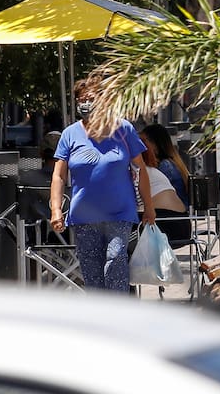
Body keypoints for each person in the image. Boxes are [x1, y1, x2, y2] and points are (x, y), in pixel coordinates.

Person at [49, 76, 156, 292]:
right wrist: (56, 209)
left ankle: (117, 316)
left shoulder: (123, 129)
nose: (85, 103)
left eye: (91, 98)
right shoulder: (70, 134)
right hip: (84, 216)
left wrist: (149, 206)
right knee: (92, 274)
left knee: (115, 261)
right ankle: (100, 319)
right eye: (81, 99)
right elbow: (58, 175)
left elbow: (141, 169)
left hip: (120, 212)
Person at [141, 123, 190, 209]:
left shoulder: (165, 166)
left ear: (154, 143)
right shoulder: (172, 162)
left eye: (143, 142)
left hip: (170, 214)